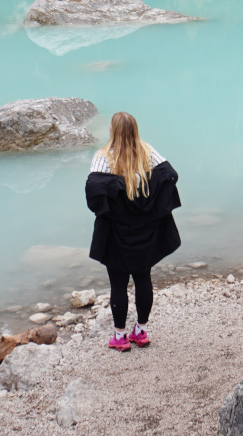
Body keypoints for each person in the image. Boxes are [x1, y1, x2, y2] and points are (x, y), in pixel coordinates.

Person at [86, 111, 181, 351]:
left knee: (118, 284)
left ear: (112, 131)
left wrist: (116, 196)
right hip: (146, 231)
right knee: (143, 278)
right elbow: (170, 175)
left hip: (116, 233)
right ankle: (140, 332)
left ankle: (119, 337)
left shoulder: (103, 157)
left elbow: (93, 190)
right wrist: (150, 203)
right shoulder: (148, 152)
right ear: (135, 130)